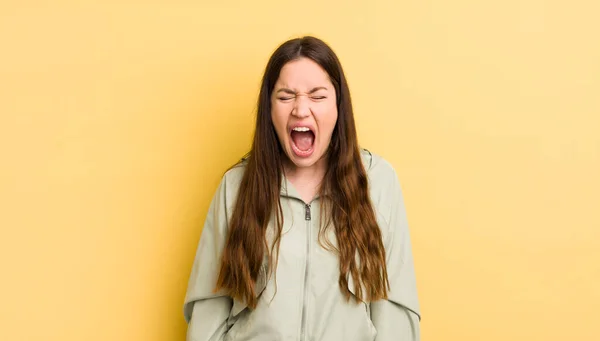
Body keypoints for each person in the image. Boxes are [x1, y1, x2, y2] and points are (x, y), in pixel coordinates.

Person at [183, 36, 420, 341]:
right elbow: (208, 313)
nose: (300, 108)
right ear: (269, 110)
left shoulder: (378, 182)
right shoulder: (236, 187)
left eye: (317, 96)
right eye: (285, 96)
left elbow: (395, 315)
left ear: (338, 107)